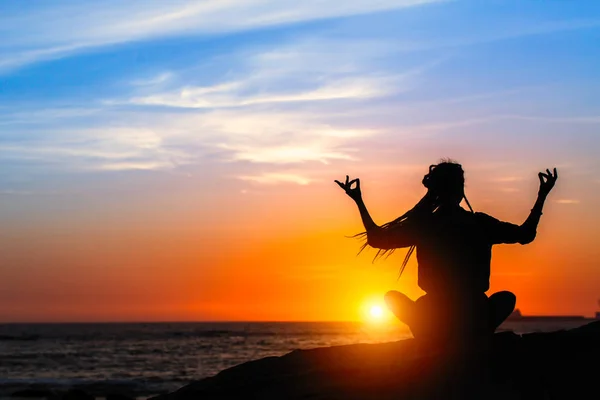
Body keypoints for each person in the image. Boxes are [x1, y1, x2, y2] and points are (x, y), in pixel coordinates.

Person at [335, 160, 558, 340]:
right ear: (460, 191)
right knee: (506, 298)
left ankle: (428, 336)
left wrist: (359, 201)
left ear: (435, 192)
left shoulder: (424, 225)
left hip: (433, 314)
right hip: (473, 312)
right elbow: (525, 234)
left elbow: (376, 239)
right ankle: (474, 335)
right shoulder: (479, 223)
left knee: (392, 298)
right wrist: (542, 196)